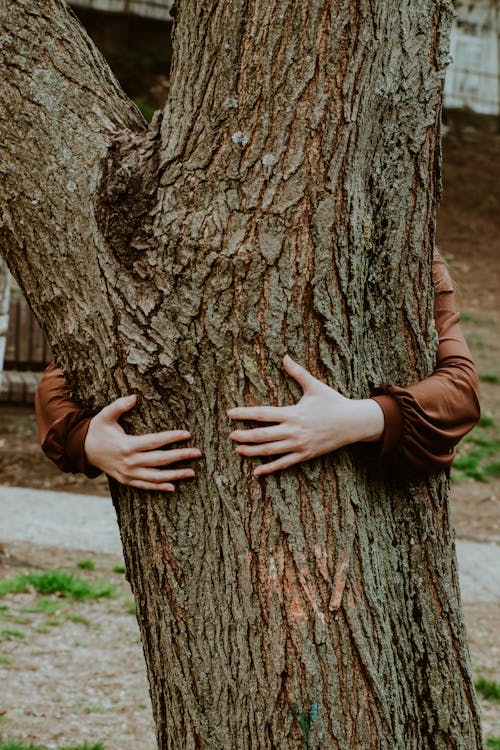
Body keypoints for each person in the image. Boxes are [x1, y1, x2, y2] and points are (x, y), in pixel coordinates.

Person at [35, 253, 480, 485]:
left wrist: (360, 419)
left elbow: (462, 389)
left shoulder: (410, 254)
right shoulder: (172, 228)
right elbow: (69, 364)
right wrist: (85, 439)